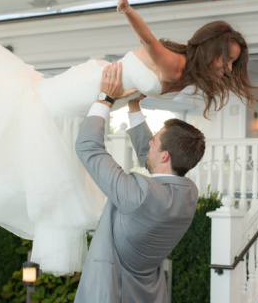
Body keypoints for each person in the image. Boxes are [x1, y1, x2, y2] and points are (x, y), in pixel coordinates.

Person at [0, 0, 258, 275]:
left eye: (232, 63)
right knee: (38, 105)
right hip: (91, 87)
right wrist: (127, 9)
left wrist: (129, 103)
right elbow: (147, 40)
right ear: (211, 49)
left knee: (49, 140)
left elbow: (140, 87)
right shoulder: (177, 66)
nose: (227, 68)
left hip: (102, 96)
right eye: (226, 60)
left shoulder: (188, 78)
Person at [74, 62, 205, 302]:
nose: (150, 143)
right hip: (146, 293)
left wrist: (105, 99)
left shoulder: (139, 195)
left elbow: (87, 147)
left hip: (113, 293)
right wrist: (134, 106)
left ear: (165, 156)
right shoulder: (188, 194)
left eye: (154, 140)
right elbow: (154, 162)